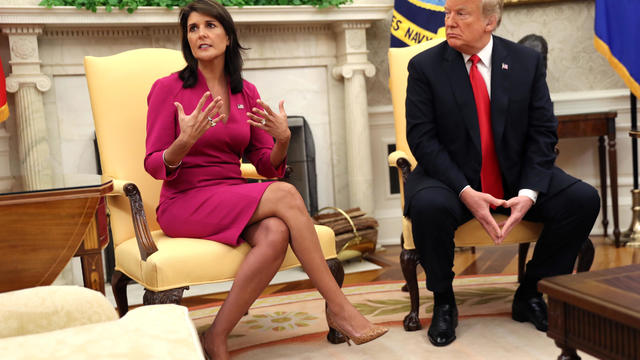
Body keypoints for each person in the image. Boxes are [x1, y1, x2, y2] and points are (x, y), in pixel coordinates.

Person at [144, 0, 387, 358]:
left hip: (229, 193)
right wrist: (184, 142)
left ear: (228, 36)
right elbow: (153, 163)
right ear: (187, 40)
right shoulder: (168, 89)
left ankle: (217, 335)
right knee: (286, 195)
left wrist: (283, 140)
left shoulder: (246, 92)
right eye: (193, 28)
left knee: (276, 233)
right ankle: (340, 307)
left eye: (210, 25)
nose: (200, 34)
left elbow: (265, 165)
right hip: (184, 201)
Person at [404, 0, 599, 347]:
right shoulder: (425, 67)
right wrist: (464, 189)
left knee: (582, 200)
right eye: (447, 13)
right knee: (428, 207)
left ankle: (531, 293)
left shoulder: (525, 62)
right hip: (450, 178)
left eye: (461, 14)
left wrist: (528, 193)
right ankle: (445, 301)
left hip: (513, 174)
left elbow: (543, 132)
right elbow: (422, 138)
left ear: (490, 21)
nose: (449, 21)